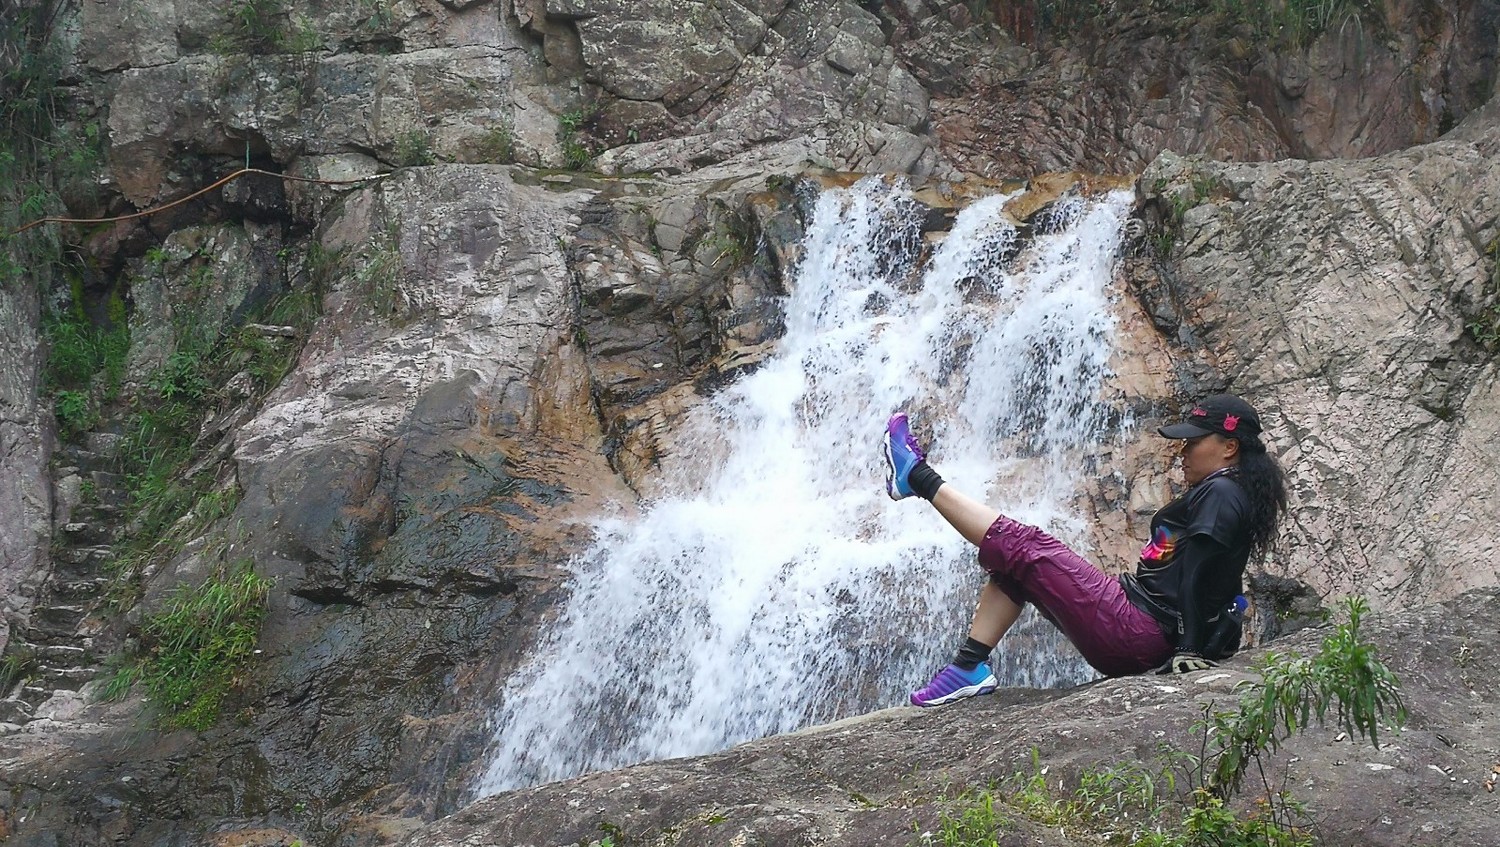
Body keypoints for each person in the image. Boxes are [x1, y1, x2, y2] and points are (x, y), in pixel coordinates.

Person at [884, 394, 1288, 707]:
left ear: (1229, 447)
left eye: (1193, 443)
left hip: (1139, 631)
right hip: (1138, 626)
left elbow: (1198, 571)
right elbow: (1221, 576)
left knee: (1028, 547)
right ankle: (966, 668)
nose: (1182, 453)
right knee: (1018, 569)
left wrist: (1188, 647)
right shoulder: (1230, 492)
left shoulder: (1221, 491)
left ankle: (917, 476)